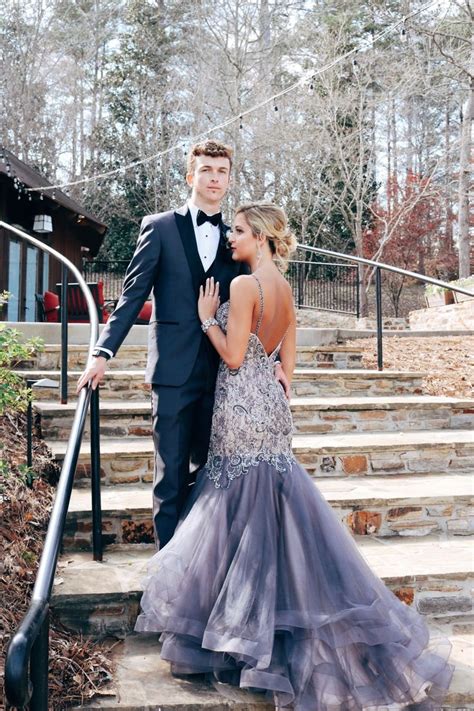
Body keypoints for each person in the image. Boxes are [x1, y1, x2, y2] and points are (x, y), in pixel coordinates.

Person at [134, 203, 453, 710]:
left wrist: (203, 321)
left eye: (238, 231)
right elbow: (288, 358)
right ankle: (266, 619)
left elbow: (234, 356)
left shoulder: (242, 286)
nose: (231, 238)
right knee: (272, 513)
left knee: (236, 512)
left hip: (240, 402)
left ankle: (242, 631)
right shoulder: (283, 286)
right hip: (273, 408)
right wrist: (279, 376)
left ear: (259, 237)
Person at [77, 140, 290, 549]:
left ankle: (202, 566)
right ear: (191, 176)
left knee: (212, 476)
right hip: (173, 373)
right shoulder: (158, 227)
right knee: (170, 475)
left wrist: (274, 358)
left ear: (229, 180)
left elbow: (263, 300)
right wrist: (102, 353)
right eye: (207, 170)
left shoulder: (238, 237)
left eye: (222, 171)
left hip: (225, 375)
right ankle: (167, 576)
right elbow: (132, 296)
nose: (214, 178)